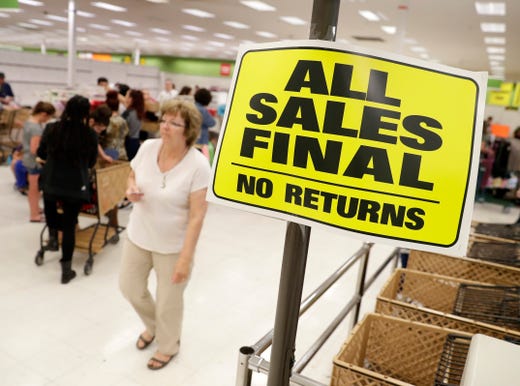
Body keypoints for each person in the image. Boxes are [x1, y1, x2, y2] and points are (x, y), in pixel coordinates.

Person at [119, 99, 210, 370]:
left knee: (169, 301)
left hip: (172, 246)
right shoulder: (148, 148)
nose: (165, 127)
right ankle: (155, 327)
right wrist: (131, 188)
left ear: (189, 129)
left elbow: (197, 216)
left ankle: (169, 345)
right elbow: (131, 174)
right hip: (138, 236)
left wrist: (185, 258)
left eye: (174, 123)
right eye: (164, 120)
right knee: (130, 288)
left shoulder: (198, 165)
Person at [37, 95, 98, 284]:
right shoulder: (89, 134)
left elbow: (41, 153)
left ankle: (53, 238)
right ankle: (66, 269)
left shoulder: (52, 128)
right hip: (75, 185)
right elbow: (91, 162)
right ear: (86, 113)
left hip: (51, 182)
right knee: (70, 226)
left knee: (51, 214)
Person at [22, 101, 56, 222]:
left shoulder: (28, 122)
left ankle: (36, 208)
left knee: (33, 187)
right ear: (43, 114)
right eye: (49, 117)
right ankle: (34, 214)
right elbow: (34, 149)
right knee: (35, 189)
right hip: (33, 161)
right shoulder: (36, 128)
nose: (48, 120)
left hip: (27, 158)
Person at [104, 90, 129, 160]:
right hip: (122, 151)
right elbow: (126, 133)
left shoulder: (107, 121)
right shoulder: (123, 121)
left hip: (108, 152)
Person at [122, 88, 145, 161]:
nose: (125, 98)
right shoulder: (139, 112)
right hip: (136, 142)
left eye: (127, 96)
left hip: (128, 143)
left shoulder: (128, 113)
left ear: (131, 99)